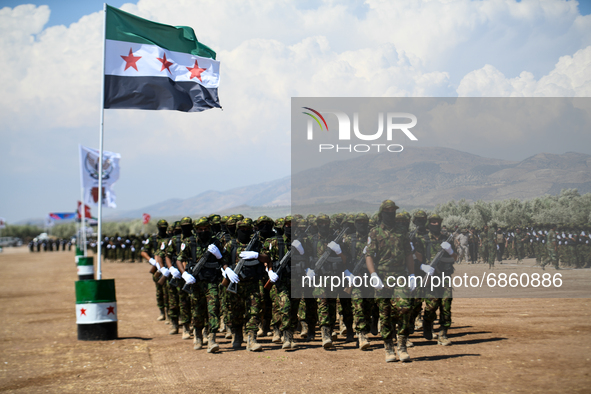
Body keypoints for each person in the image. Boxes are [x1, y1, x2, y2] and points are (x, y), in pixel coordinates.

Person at [365, 200, 415, 362]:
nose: (391, 213)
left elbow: (408, 254)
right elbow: (369, 255)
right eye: (388, 211)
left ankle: (402, 346)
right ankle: (388, 348)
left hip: (400, 275)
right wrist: (373, 275)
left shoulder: (402, 231)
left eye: (393, 210)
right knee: (385, 313)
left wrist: (412, 275)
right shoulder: (374, 233)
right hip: (382, 276)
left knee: (405, 309)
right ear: (382, 213)